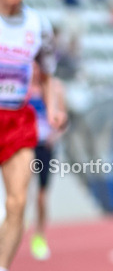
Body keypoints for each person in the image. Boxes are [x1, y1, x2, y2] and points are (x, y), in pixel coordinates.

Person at [0, 0, 65, 271]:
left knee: (18, 201)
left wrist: (53, 108)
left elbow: (50, 71)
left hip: (17, 119)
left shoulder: (38, 25)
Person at [28, 68, 68, 260]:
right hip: (25, 145)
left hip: (45, 146)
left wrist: (55, 133)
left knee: (41, 196)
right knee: (20, 192)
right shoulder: (23, 87)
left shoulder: (56, 88)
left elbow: (63, 120)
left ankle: (39, 235)